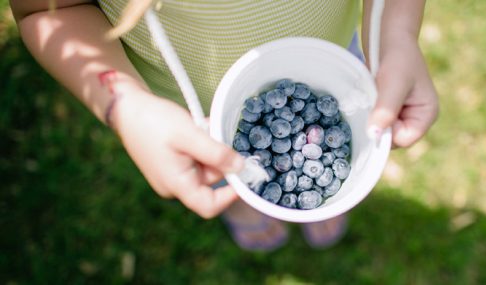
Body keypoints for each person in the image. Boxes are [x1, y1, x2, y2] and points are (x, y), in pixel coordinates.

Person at [10, 0, 438, 251]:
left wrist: (396, 33)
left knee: (304, 168)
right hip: (183, 101)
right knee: (221, 168)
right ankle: (239, 201)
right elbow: (47, 8)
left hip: (329, 54)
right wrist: (128, 105)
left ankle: (310, 201)